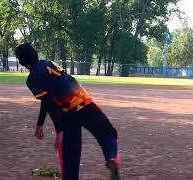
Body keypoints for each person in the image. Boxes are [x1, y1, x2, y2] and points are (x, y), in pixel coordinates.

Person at [15, 43, 121, 180]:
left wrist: (59, 131)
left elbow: (48, 102)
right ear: (35, 54)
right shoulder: (48, 63)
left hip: (67, 113)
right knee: (108, 133)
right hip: (84, 102)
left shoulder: (32, 79)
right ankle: (111, 158)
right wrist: (40, 123)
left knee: (70, 153)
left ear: (22, 62)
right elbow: (46, 100)